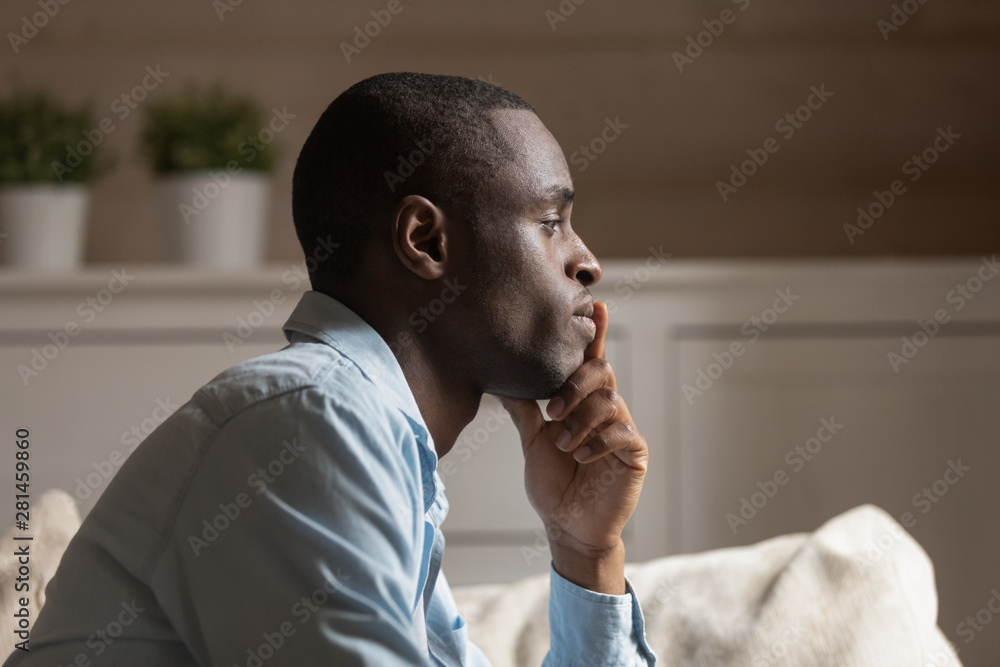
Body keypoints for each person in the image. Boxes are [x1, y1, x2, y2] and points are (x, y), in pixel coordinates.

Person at [5, 72, 657, 666]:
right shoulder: (312, 417)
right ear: (426, 241)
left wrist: (586, 552)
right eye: (552, 221)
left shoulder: (375, 451)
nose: (588, 261)